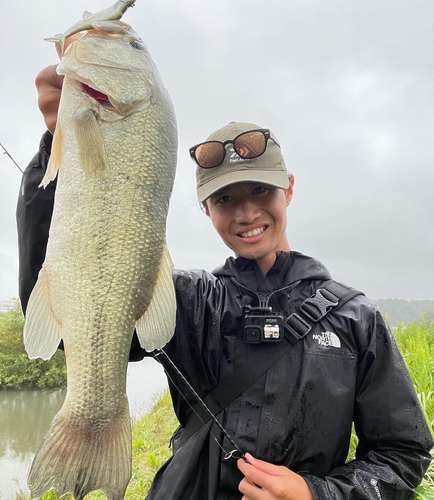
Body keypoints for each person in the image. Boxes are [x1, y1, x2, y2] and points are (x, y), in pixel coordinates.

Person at [16, 63, 433, 500]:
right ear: (206, 210)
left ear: (288, 190)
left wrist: (317, 494)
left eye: (261, 191)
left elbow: (402, 455)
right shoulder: (188, 302)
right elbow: (76, 304)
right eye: (225, 199)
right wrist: (60, 146)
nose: (246, 213)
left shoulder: (356, 319)